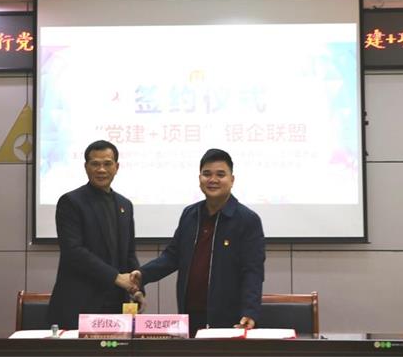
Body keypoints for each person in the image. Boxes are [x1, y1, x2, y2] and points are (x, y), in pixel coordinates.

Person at [130, 149, 265, 336]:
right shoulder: (190, 214)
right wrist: (143, 274)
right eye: (207, 174)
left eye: (220, 174)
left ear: (232, 180)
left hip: (229, 319)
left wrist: (250, 311)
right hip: (190, 315)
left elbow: (253, 271)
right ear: (199, 178)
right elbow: (172, 256)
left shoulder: (247, 220)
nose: (213, 180)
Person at [47, 140, 144, 329]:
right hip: (80, 304)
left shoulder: (125, 205)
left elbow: (129, 253)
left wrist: (137, 289)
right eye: (95, 164)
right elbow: (73, 252)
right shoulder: (71, 202)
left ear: (117, 167)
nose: (101, 170)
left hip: (116, 304)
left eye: (107, 163)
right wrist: (116, 277)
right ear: (86, 167)